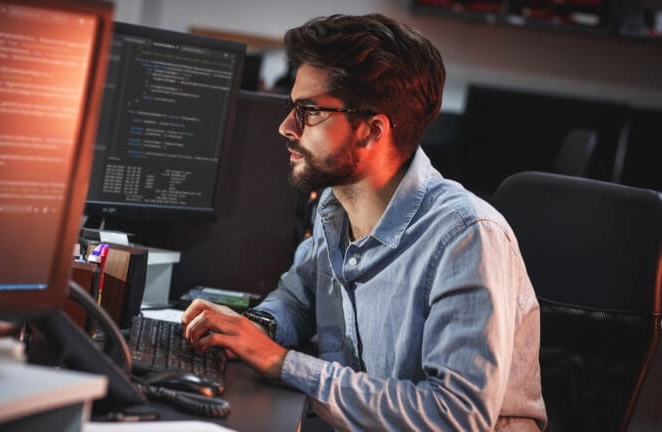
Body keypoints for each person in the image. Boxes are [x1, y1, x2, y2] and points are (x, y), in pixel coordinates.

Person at [182, 13, 547, 431]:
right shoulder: (335, 209)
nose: (286, 127)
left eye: (309, 111)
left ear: (371, 131)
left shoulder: (467, 238)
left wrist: (280, 361)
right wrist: (251, 330)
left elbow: (453, 418)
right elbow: (299, 299)